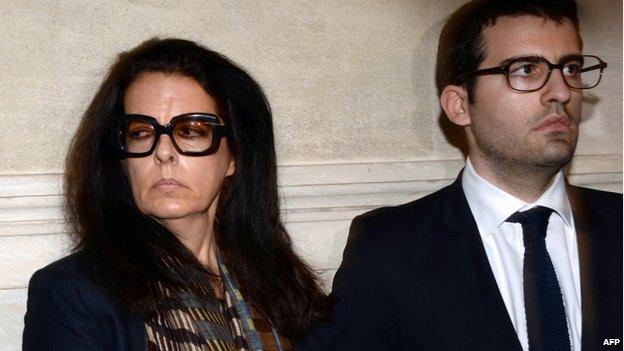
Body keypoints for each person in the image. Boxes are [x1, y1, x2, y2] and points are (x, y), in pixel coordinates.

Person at [296, 1, 622, 350]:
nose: (561, 92)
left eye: (570, 68)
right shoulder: (390, 248)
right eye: (526, 69)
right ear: (460, 105)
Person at [23, 38, 329, 351]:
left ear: (235, 155)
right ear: (121, 158)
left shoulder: (281, 286)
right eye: (140, 133)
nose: (164, 153)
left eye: (192, 131)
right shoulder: (73, 294)